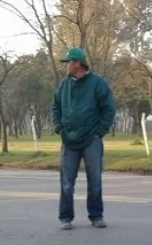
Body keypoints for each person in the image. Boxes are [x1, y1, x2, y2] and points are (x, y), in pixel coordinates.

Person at [52, 47, 116, 230]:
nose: (66, 66)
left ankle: (96, 215)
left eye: (68, 62)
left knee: (94, 180)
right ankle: (66, 217)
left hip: (91, 140)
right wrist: (58, 127)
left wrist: (100, 131)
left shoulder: (98, 84)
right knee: (66, 182)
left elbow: (109, 109)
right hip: (68, 141)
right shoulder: (63, 85)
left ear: (78, 64)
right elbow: (55, 107)